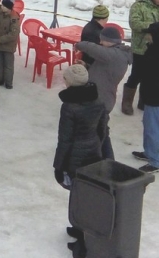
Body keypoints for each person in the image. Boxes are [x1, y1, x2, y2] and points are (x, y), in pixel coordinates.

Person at [53, 64, 106, 257]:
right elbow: (102, 130)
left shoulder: (69, 107)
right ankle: (79, 228)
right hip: (93, 154)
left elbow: (65, 139)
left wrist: (58, 165)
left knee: (80, 198)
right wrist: (98, 148)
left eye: (65, 79)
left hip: (75, 158)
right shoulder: (98, 100)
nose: (64, 81)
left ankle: (83, 243)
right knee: (85, 195)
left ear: (71, 83)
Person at [76, 26, 132, 160]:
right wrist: (87, 66)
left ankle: (103, 160)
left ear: (110, 41)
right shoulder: (114, 54)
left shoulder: (114, 55)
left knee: (98, 133)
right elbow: (103, 73)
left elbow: (93, 48)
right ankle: (104, 159)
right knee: (101, 131)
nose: (100, 43)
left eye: (102, 40)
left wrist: (80, 44)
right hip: (102, 98)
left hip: (101, 100)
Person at [122, 0, 159, 115]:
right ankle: (127, 102)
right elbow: (134, 23)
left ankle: (144, 100)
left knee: (151, 76)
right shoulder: (139, 6)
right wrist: (154, 27)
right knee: (136, 75)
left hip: (158, 49)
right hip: (141, 47)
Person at [132, 21, 159, 174]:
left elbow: (155, 76)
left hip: (156, 97)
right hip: (150, 95)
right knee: (148, 125)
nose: (147, 35)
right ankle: (149, 153)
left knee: (154, 128)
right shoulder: (156, 49)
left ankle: (155, 162)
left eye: (150, 33)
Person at [0, 0, 21, 89]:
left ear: (8, 7)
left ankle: (8, 82)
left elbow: (13, 34)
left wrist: (0, 39)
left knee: (8, 65)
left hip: (8, 46)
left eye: (3, 5)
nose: (1, 6)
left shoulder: (14, 18)